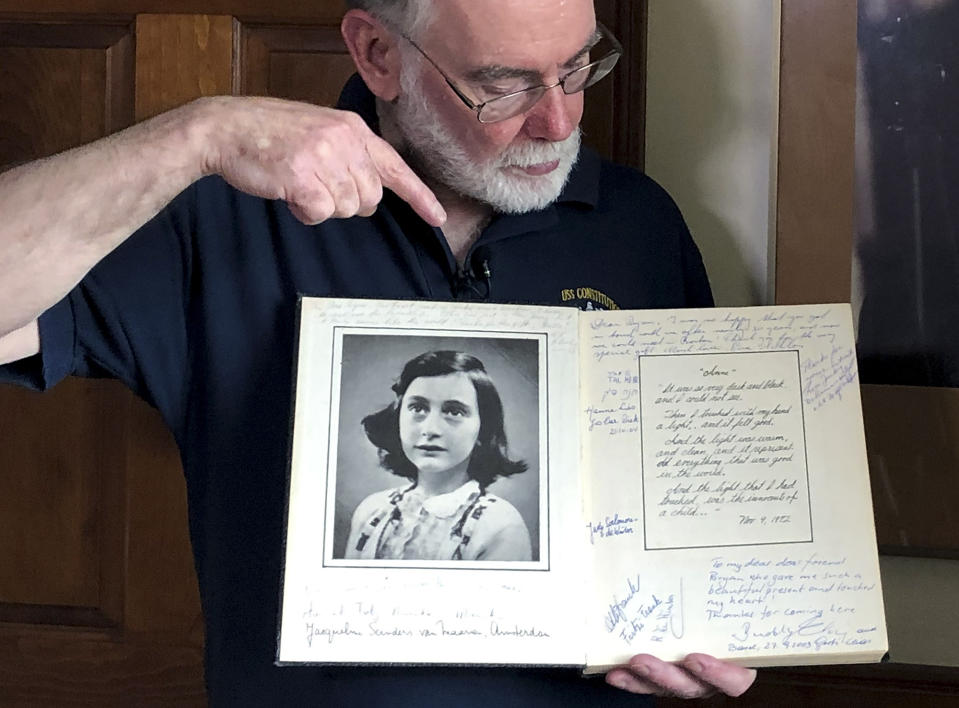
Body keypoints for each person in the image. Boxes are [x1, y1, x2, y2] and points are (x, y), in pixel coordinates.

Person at [0, 0, 757, 703]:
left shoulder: (639, 224)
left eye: (577, 69)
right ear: (376, 54)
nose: (557, 123)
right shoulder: (221, 217)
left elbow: (689, 520)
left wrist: (715, 627)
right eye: (502, 87)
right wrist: (195, 135)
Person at [346, 350, 533, 561]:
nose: (431, 429)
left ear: (483, 429)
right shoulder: (371, 511)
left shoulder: (500, 527)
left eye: (454, 412)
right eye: (418, 408)